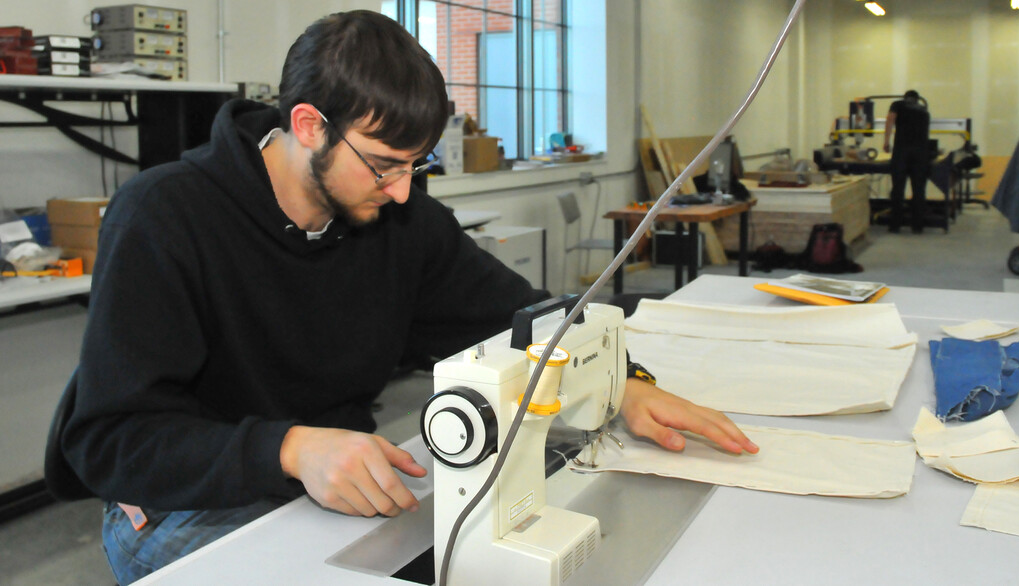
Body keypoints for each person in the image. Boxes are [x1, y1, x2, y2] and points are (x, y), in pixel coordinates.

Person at [58, 10, 758, 584]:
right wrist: (293, 450)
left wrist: (621, 382)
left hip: (334, 474)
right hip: (186, 501)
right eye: (383, 164)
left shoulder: (401, 221)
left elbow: (521, 317)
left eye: (415, 164)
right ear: (308, 126)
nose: (401, 191)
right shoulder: (164, 217)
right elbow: (110, 441)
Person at [883, 90, 932, 233]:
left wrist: (886, 141)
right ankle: (917, 226)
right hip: (921, 153)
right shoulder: (924, 110)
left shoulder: (897, 104)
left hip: (902, 152)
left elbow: (890, 119)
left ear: (905, 98)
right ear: (917, 99)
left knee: (898, 188)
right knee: (919, 190)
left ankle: (895, 225)